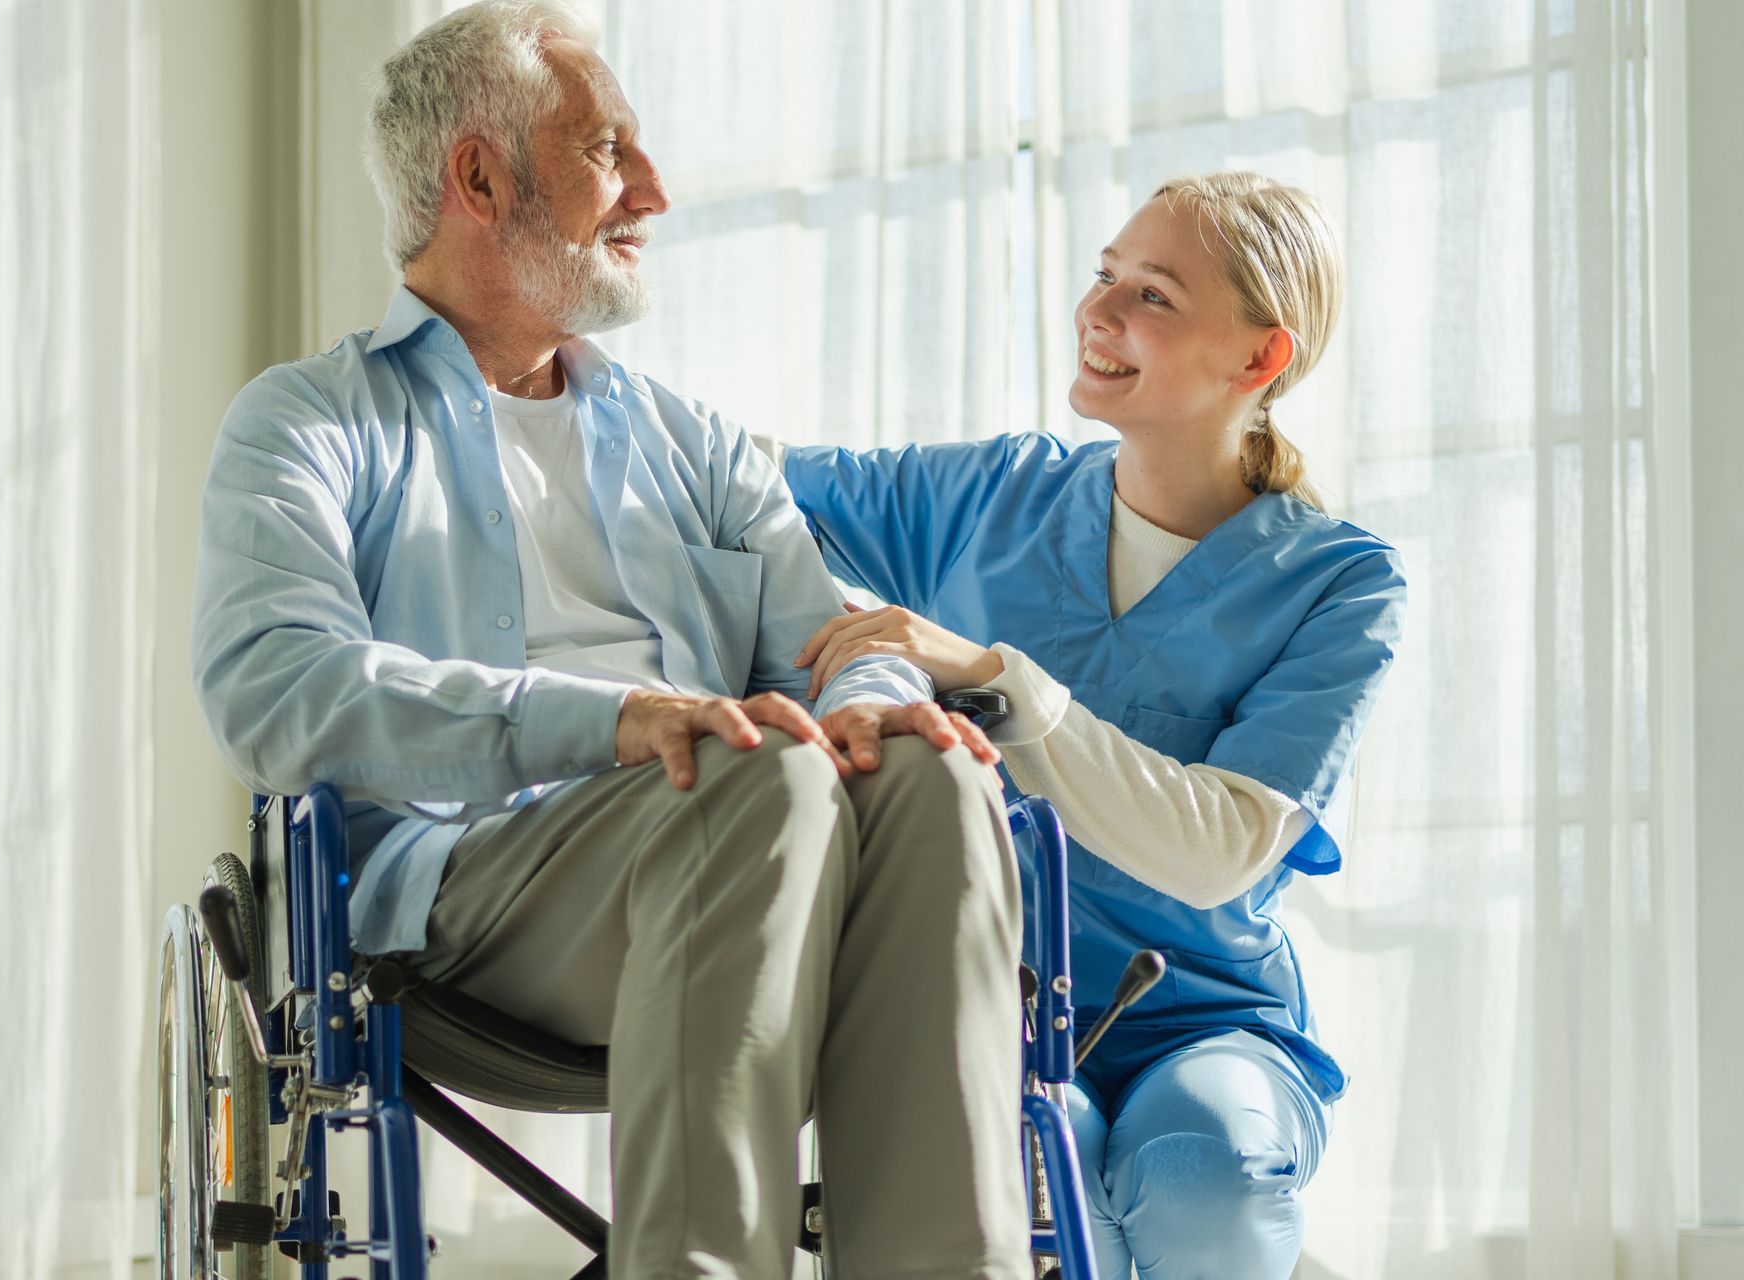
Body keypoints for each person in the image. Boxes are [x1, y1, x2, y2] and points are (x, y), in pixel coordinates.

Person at [187, 4, 1032, 1278]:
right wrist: (617, 721)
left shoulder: (696, 443)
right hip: (469, 891)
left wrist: (870, 693)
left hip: (742, 842)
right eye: (606, 150)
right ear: (478, 176)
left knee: (930, 765)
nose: (656, 190)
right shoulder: (310, 422)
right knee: (754, 765)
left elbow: (845, 637)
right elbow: (276, 688)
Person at [774, 172, 1406, 1280]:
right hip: (994, 1009)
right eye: (1104, 277)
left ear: (1259, 358)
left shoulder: (1338, 582)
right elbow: (737, 483)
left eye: (1152, 296)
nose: (1100, 314)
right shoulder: (990, 497)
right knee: (1017, 1160)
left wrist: (989, 674)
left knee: (1203, 1174)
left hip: (1209, 1019)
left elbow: (1217, 850)